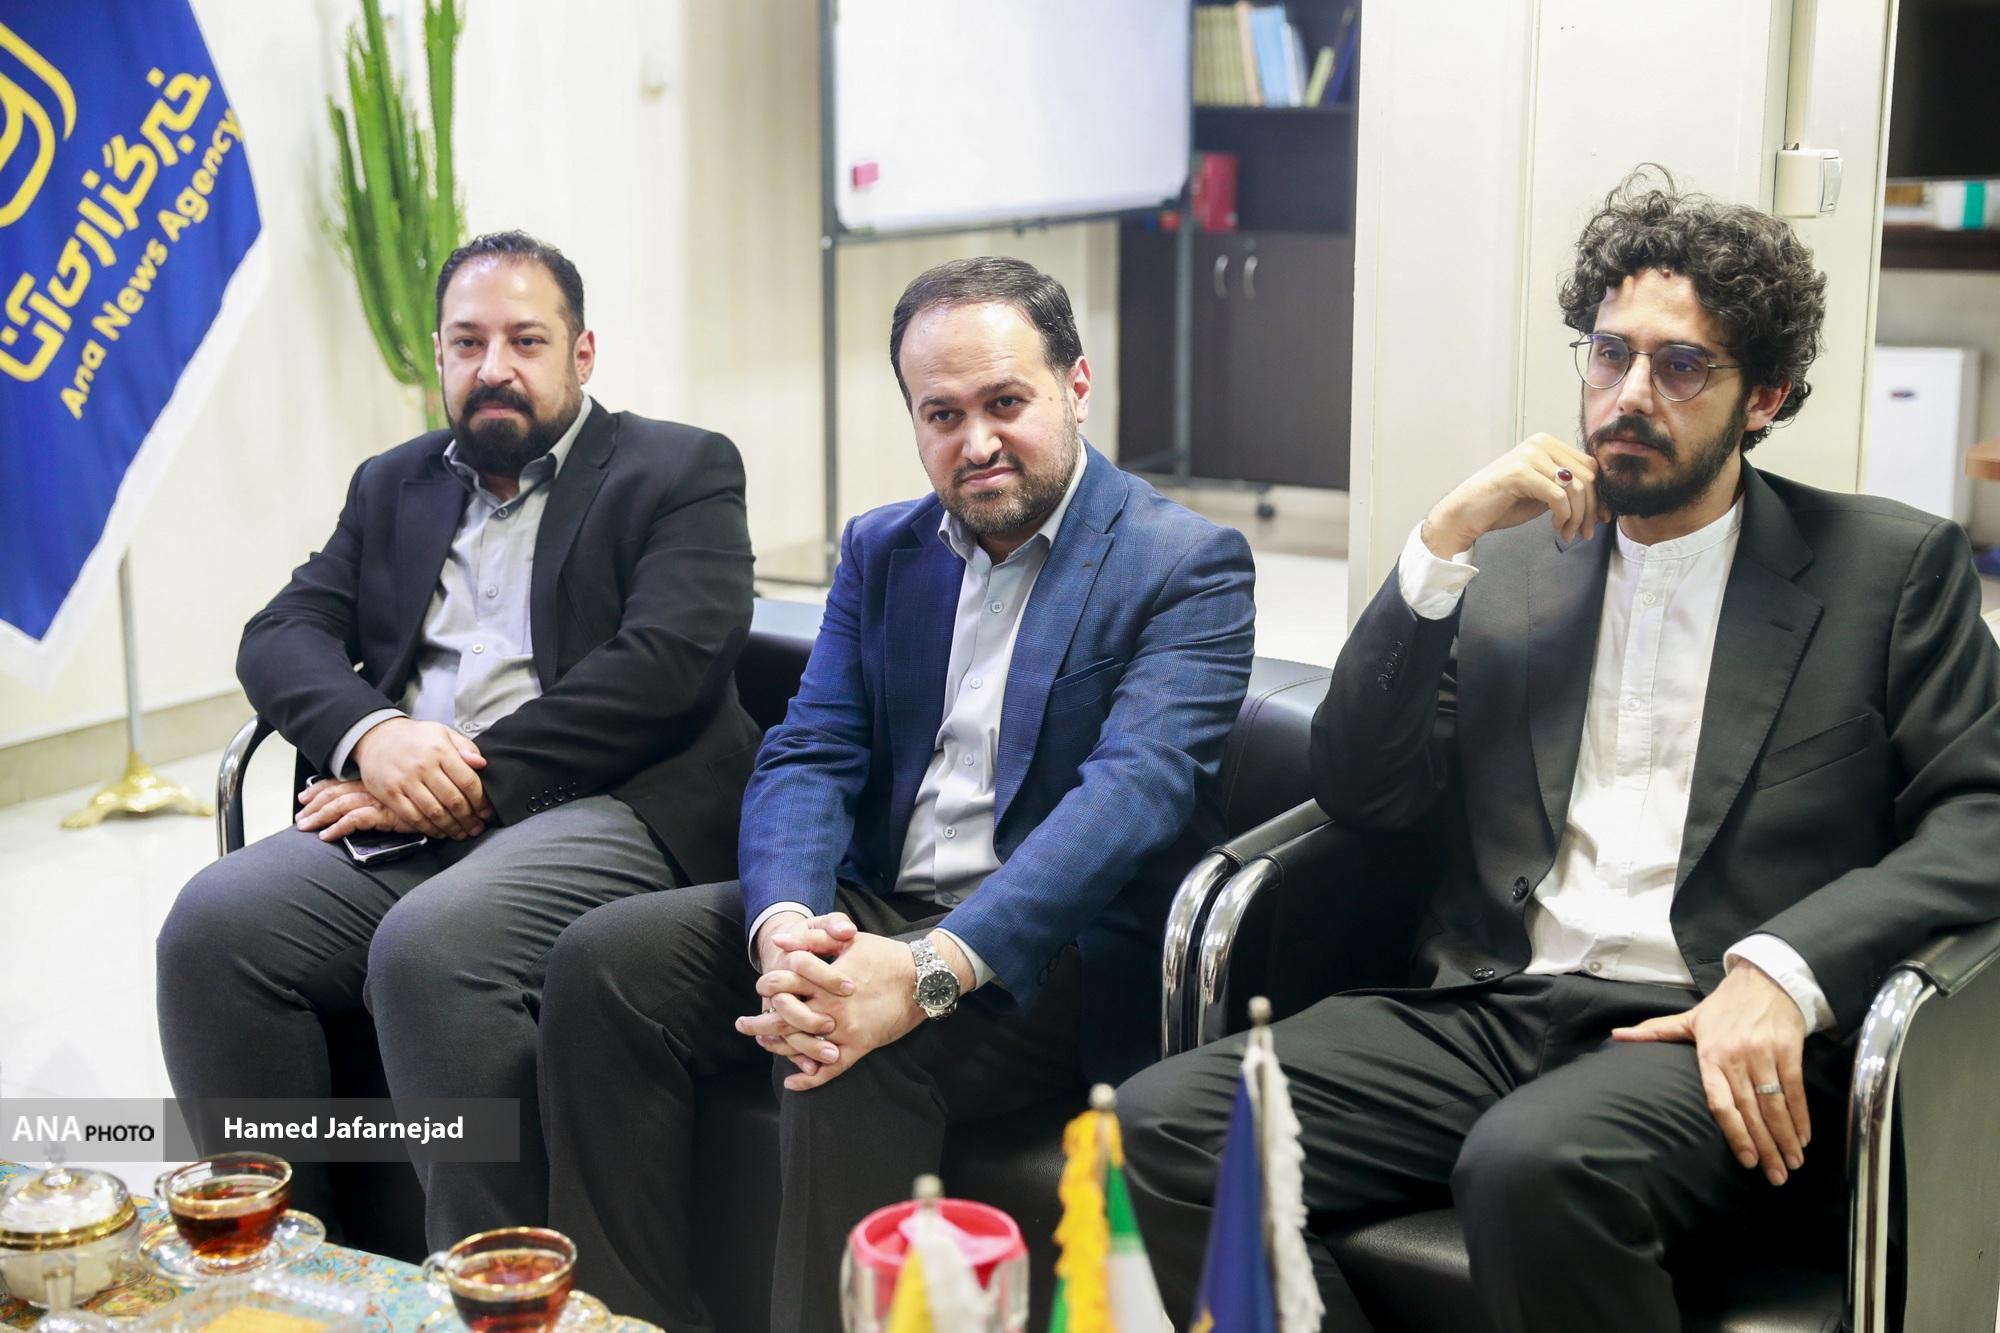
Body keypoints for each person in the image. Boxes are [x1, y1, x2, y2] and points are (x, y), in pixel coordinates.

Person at [1120, 171, 2000, 1331]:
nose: (1628, 394)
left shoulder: (1883, 571)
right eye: (1609, 354)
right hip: (1492, 1004)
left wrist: (1783, 968)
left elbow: (1980, 815)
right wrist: (1437, 547)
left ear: (1763, 397)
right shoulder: (1509, 569)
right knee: (1170, 1125)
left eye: (1678, 365)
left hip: (1701, 1030)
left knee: (1530, 1163)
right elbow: (1361, 790)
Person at [536, 255, 1257, 1332]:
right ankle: (618, 1320)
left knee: (848, 1050)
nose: (976, 442)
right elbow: (809, 751)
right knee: (604, 964)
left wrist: (922, 973)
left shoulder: (1185, 563)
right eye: (942, 414)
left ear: (1075, 385)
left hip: (1046, 950)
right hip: (874, 904)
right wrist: (787, 929)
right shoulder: (883, 548)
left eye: (1005, 403)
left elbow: (1132, 796)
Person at [156, 230, 761, 1247]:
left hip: (610, 799)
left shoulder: (678, 468)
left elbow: (666, 663)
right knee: (212, 928)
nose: (494, 367)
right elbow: (281, 632)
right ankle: (287, 1265)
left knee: (433, 947)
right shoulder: (392, 483)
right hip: (411, 804)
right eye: (469, 342)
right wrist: (376, 736)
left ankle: (491, 1285)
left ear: (582, 353)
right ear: (439, 355)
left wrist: (462, 775)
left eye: (526, 340)